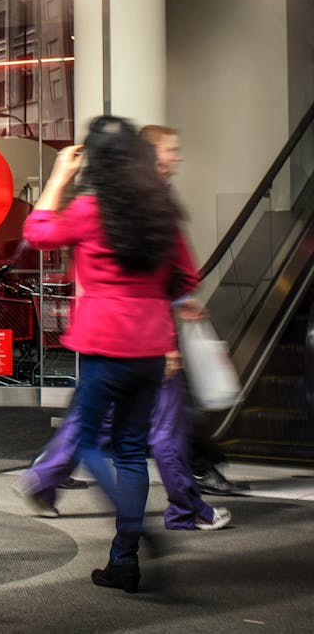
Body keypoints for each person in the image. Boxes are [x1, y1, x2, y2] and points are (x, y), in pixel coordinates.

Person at [15, 125, 233, 533]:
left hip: (102, 338)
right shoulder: (159, 209)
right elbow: (185, 276)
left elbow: (38, 232)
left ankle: (131, 527)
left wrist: (61, 175)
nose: (176, 157)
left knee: (90, 431)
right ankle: (134, 543)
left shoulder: (89, 208)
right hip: (151, 342)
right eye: (171, 150)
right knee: (138, 444)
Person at [144, 125, 248, 498]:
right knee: (174, 399)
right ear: (154, 153)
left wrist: (182, 296)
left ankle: (53, 465)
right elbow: (152, 263)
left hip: (164, 308)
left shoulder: (160, 193)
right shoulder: (147, 197)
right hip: (153, 316)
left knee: (116, 402)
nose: (179, 155)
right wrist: (174, 301)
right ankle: (198, 477)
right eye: (172, 149)